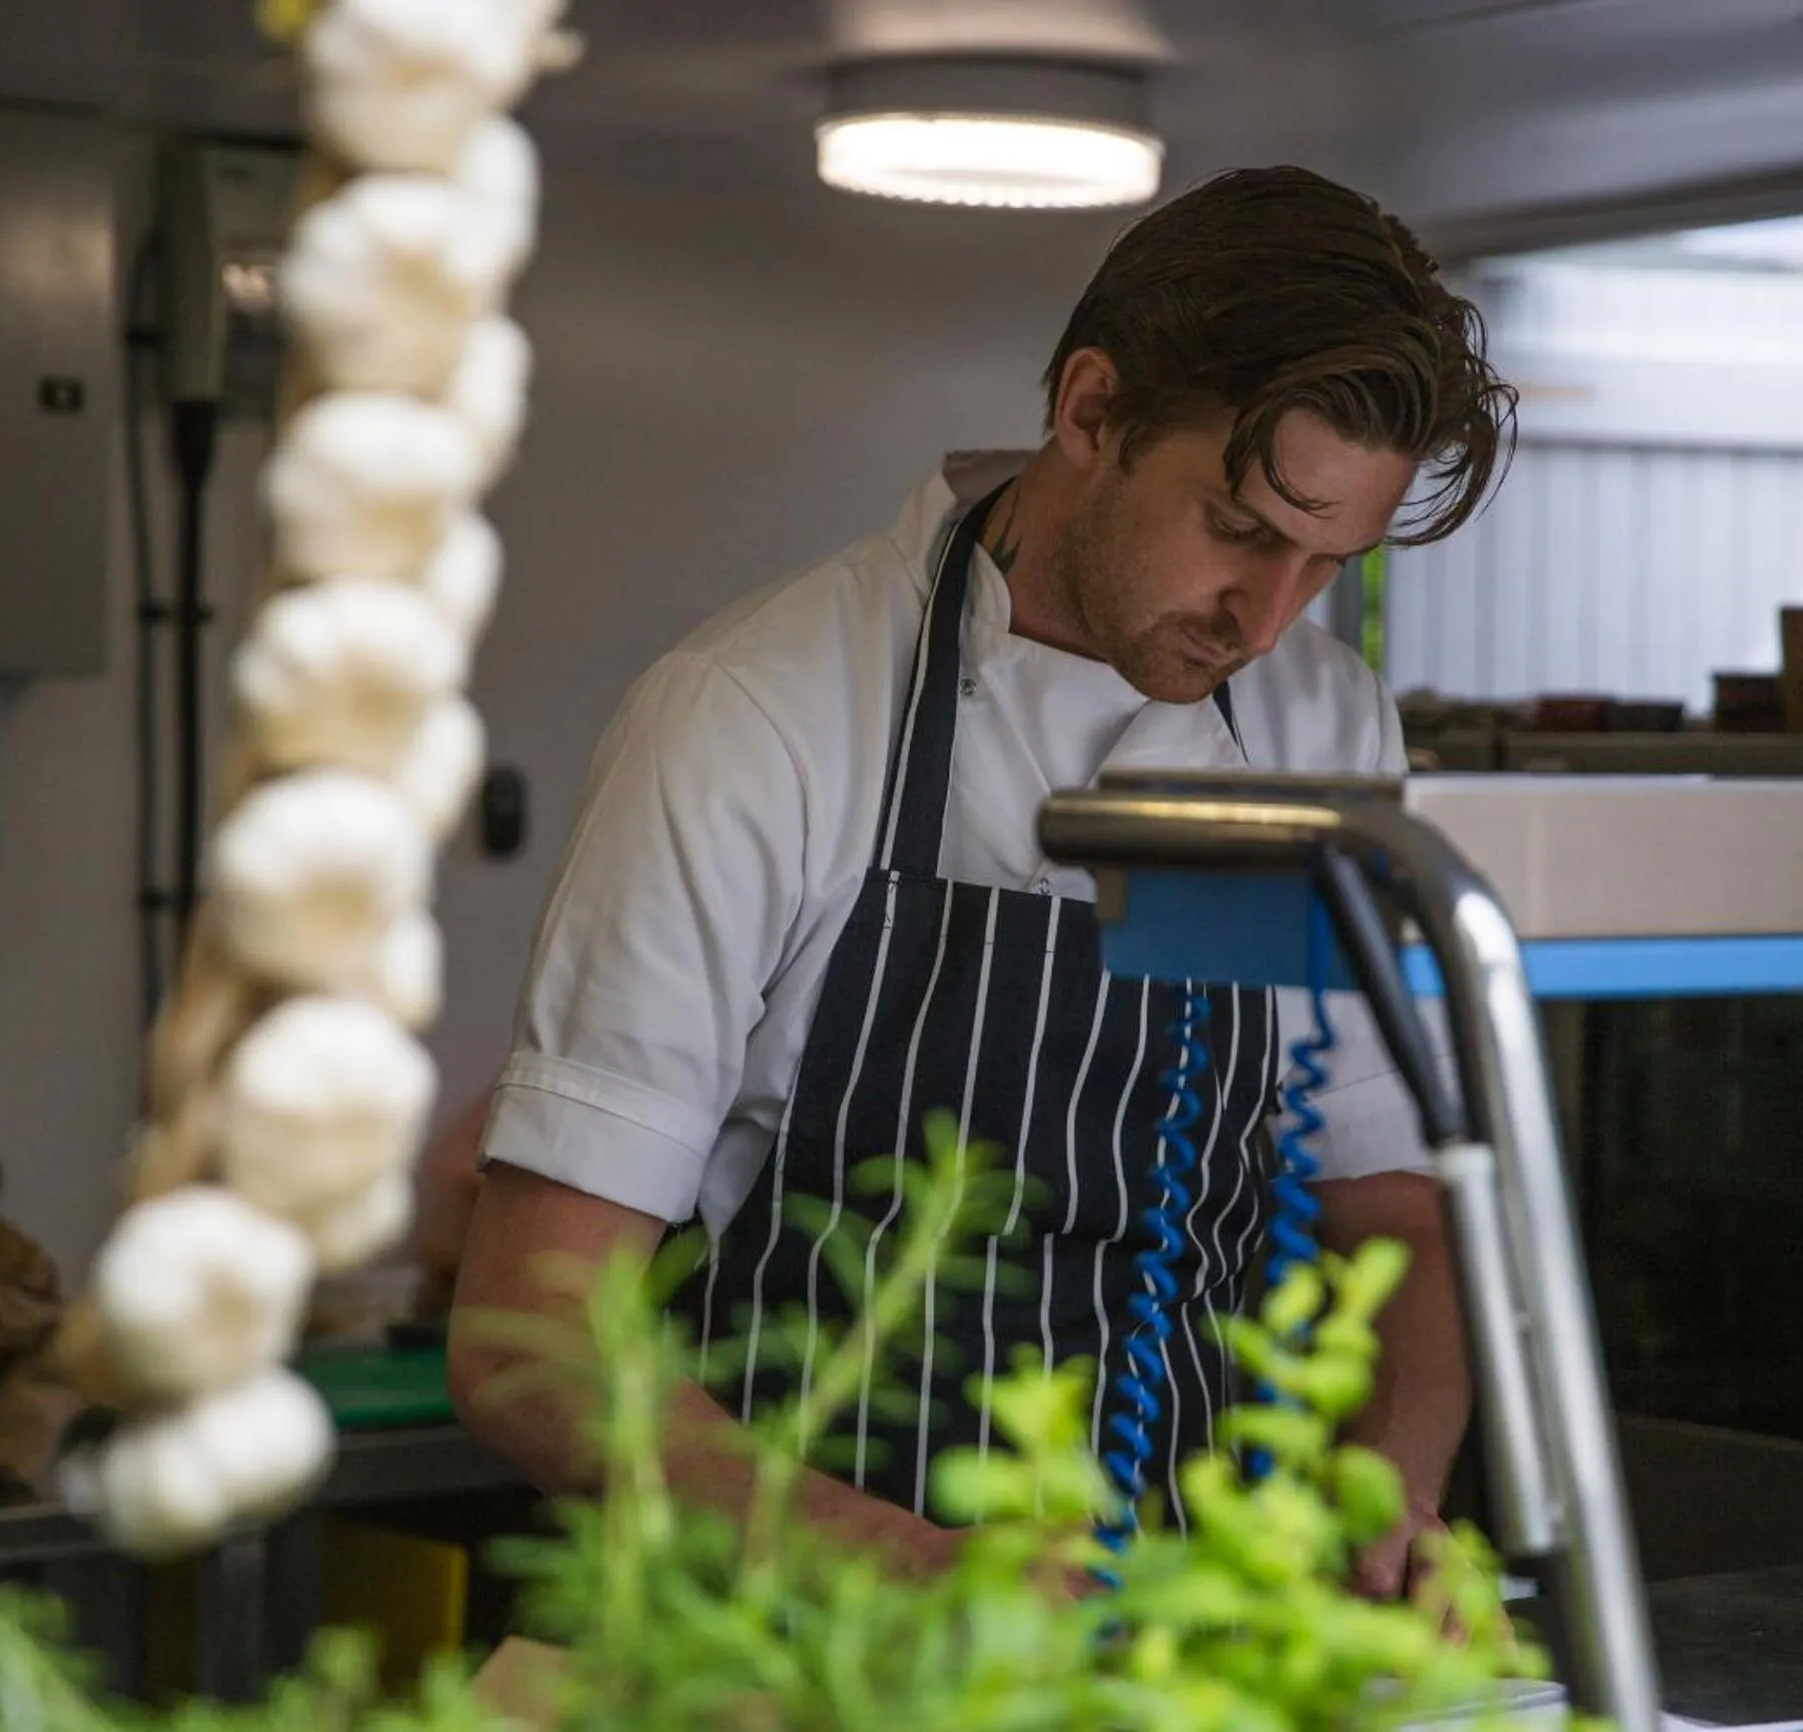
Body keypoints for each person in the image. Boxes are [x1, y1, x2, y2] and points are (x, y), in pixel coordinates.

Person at [450, 164, 1515, 1596]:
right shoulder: (753, 716)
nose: (1265, 621)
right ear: (1089, 411)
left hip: (1168, 1651)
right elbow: (532, 1337)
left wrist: (1388, 1497)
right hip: (800, 1643)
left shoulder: (1322, 727)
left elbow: (1399, 1210)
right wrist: (909, 1569)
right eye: (1243, 531)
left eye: (1327, 564)